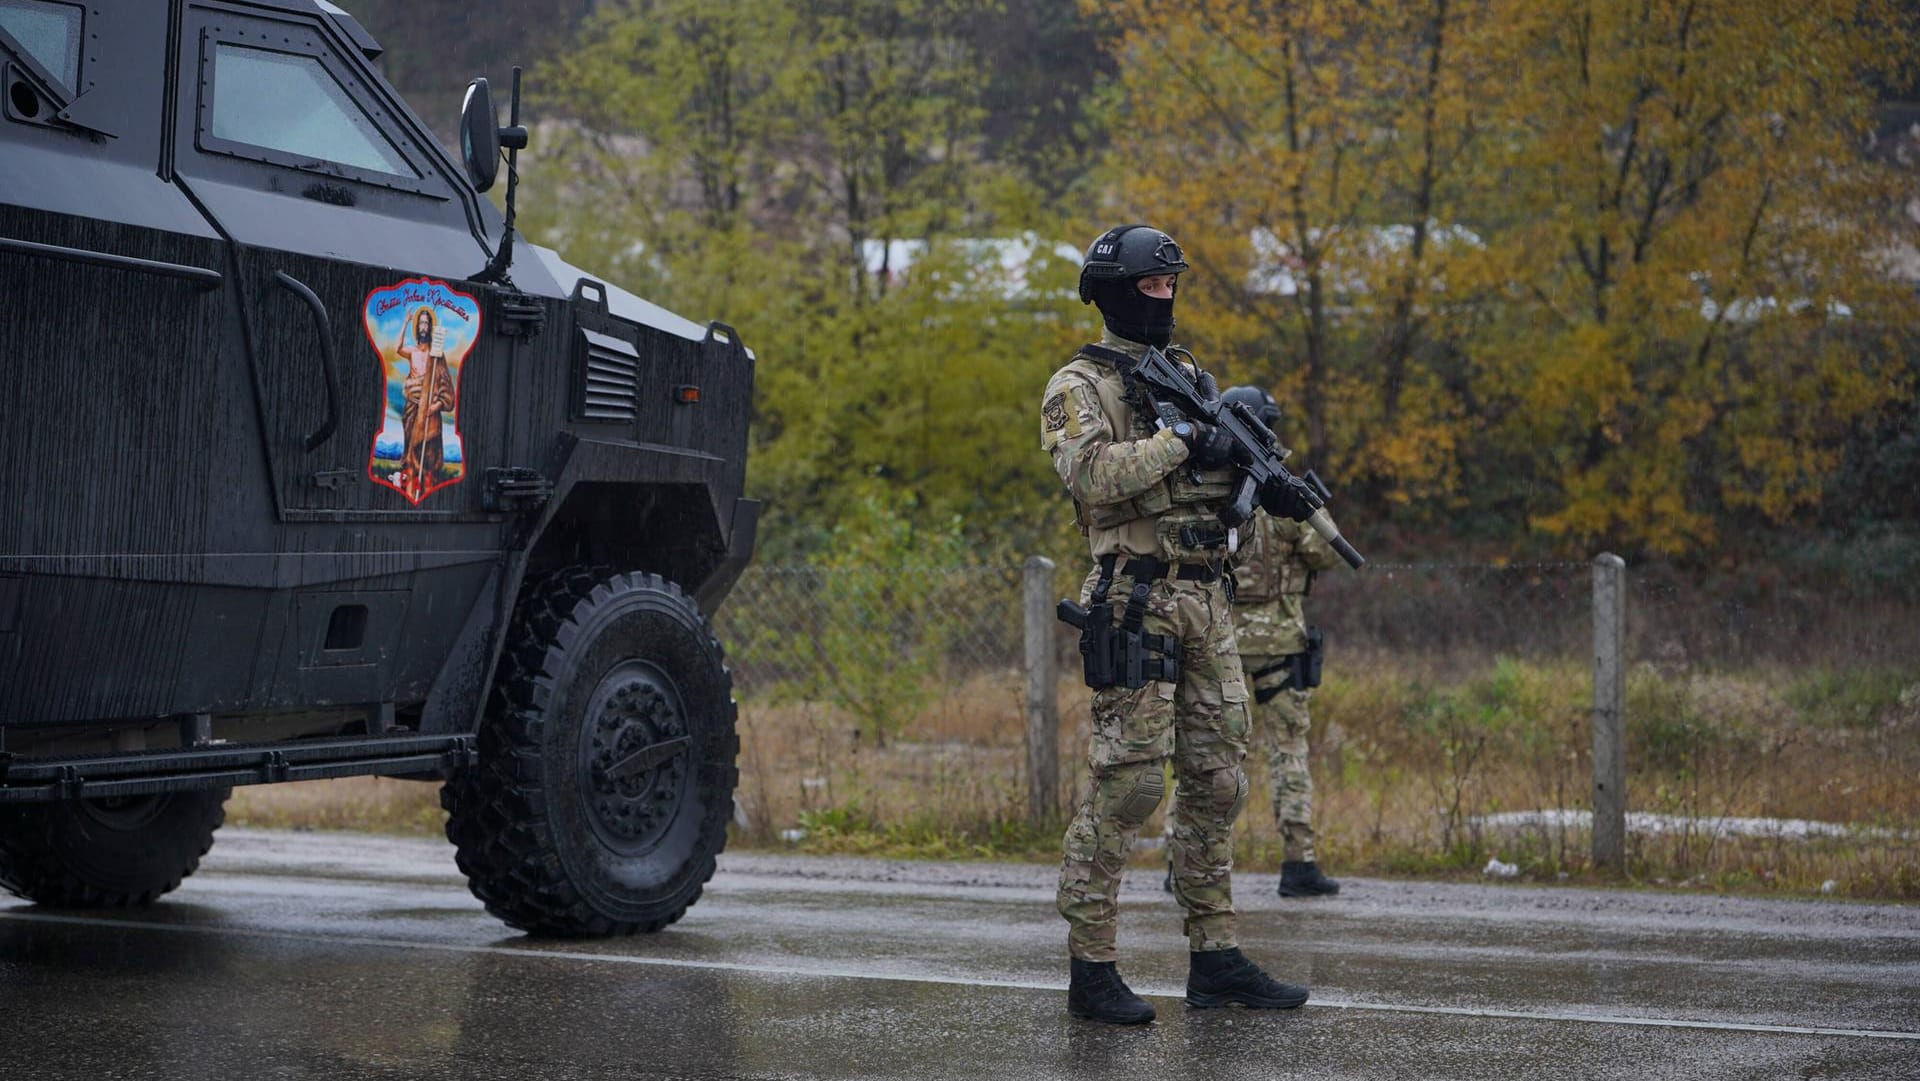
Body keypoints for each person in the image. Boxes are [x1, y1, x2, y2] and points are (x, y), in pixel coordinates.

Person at [1042, 224, 1309, 1025]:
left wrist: (1255, 473)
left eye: (1171, 288)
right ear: (1115, 292)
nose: (1165, 300)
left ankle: (1215, 955)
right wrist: (1181, 439)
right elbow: (1092, 475)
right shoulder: (1078, 385)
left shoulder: (1188, 371)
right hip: (1136, 595)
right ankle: (1092, 967)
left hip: (1209, 596)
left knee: (1218, 780)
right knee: (1127, 784)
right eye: (1152, 288)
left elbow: (1215, 478)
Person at [1218, 386, 1346, 897]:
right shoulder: (1282, 489)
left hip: (1219, 639)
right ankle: (1298, 863)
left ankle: (1183, 857)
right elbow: (1328, 551)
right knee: (1288, 752)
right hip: (1278, 642)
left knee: (1207, 755)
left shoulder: (1210, 484)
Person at [395, 307, 458, 501]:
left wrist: (436, 406)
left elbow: (446, 385)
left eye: (426, 323)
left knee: (428, 452)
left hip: (429, 410)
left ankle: (428, 492)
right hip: (413, 408)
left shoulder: (436, 354)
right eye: (420, 322)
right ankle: (410, 487)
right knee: (411, 449)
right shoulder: (412, 351)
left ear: (430, 327)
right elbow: (397, 348)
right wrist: (405, 322)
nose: (423, 326)